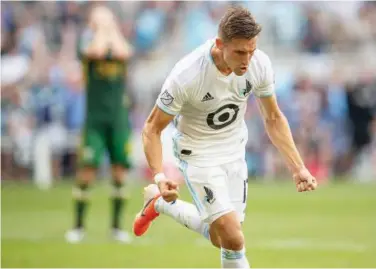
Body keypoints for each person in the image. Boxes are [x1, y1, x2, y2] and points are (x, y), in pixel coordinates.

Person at [133, 6, 317, 268]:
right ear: (220, 45)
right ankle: (160, 198)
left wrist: (298, 167)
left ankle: (161, 205)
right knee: (233, 237)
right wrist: (160, 176)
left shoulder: (258, 64)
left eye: (251, 51)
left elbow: (273, 118)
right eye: (240, 52)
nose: (247, 59)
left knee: (225, 238)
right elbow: (152, 128)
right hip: (198, 155)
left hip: (234, 151)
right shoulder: (188, 74)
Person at [65, 5, 133, 243]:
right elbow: (95, 51)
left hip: (118, 119)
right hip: (94, 119)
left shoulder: (119, 41)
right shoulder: (86, 41)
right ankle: (78, 227)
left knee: (119, 173)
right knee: (87, 172)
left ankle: (116, 227)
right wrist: (103, 28)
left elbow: (125, 53)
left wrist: (110, 27)